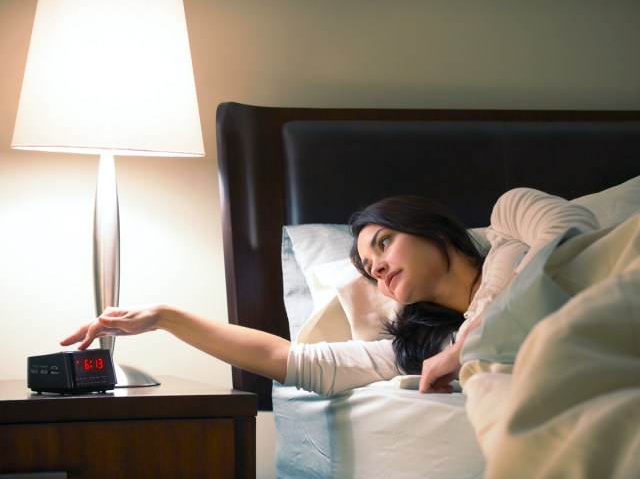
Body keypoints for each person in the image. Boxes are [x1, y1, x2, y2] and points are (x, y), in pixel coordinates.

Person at [60, 188, 599, 395]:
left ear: (433, 229)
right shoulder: (420, 349)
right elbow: (289, 358)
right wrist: (166, 317)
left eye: (384, 243)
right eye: (368, 267)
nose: (378, 268)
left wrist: (469, 344)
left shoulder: (511, 223)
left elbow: (577, 239)